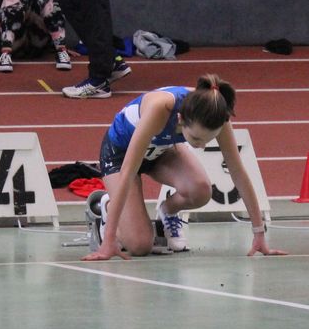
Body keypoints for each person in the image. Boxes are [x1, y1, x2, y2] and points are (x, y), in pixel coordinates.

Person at [83, 74, 286, 260]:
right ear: (180, 119)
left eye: (208, 139)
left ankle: (167, 213)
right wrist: (109, 239)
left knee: (201, 190)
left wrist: (259, 232)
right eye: (196, 138)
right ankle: (106, 209)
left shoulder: (216, 112)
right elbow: (128, 173)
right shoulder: (160, 108)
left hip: (161, 151)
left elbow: (238, 172)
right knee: (139, 246)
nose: (202, 146)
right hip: (120, 156)